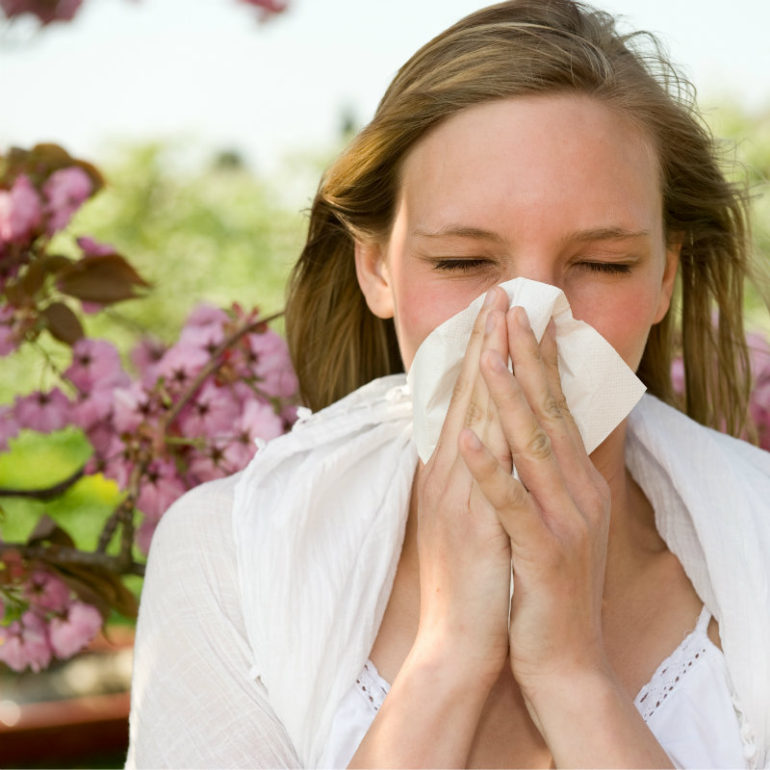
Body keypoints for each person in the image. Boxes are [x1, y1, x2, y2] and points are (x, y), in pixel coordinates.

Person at [125, 1, 770, 768]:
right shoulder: (233, 555)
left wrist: (573, 675)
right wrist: (449, 654)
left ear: (664, 276)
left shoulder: (751, 538)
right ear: (377, 268)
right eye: (462, 263)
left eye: (603, 265)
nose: (526, 325)